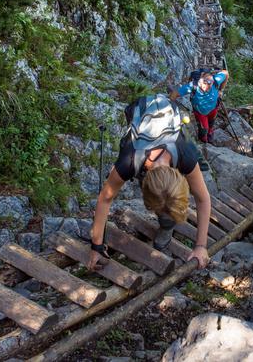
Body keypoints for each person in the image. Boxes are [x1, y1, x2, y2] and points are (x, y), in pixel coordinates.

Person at [87, 94, 211, 271]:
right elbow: (105, 198)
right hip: (140, 118)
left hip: (170, 129)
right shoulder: (128, 161)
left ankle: (167, 226)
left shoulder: (186, 154)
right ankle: (166, 222)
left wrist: (201, 247)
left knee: (171, 202)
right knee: (161, 203)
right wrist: (96, 247)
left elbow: (203, 198)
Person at [170, 69, 229, 143]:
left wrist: (221, 90)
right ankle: (204, 140)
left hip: (213, 109)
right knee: (204, 129)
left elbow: (225, 73)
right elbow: (175, 93)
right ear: (200, 81)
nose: (205, 88)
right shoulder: (192, 86)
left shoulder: (216, 80)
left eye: (209, 85)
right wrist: (171, 107)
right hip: (201, 113)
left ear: (212, 82)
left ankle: (210, 132)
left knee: (211, 122)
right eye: (203, 84)